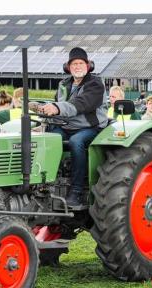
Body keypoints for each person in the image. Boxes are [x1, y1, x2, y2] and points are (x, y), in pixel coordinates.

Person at [39, 47, 109, 207]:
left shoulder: (95, 84)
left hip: (91, 127)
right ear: (69, 68)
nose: (77, 66)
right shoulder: (63, 84)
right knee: (47, 138)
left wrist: (57, 108)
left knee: (76, 141)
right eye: (74, 64)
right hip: (66, 126)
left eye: (80, 63)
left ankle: (76, 192)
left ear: (87, 65)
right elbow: (57, 104)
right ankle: (46, 184)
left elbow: (81, 104)